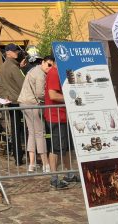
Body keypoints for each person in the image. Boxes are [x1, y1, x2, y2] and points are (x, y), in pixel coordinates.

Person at [44, 58, 79, 190]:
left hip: (64, 116)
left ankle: (69, 174)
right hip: (55, 117)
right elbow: (52, 95)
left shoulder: (60, 72)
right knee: (56, 148)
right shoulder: (53, 72)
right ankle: (54, 178)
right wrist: (72, 98)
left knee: (67, 147)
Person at [18, 55, 54, 173]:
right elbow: (40, 94)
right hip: (32, 104)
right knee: (40, 133)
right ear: (43, 62)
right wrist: (50, 97)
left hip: (23, 102)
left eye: (52, 65)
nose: (50, 67)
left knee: (32, 133)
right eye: (49, 64)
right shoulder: (40, 75)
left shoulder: (34, 69)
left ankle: (32, 164)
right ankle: (45, 164)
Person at [0, 43, 26, 165]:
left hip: (10, 101)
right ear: (8, 53)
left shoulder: (3, 66)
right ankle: (20, 157)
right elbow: (23, 84)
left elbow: (0, 86)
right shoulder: (13, 67)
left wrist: (6, 97)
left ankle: (17, 156)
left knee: (15, 130)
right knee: (21, 130)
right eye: (15, 51)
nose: (17, 53)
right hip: (17, 101)